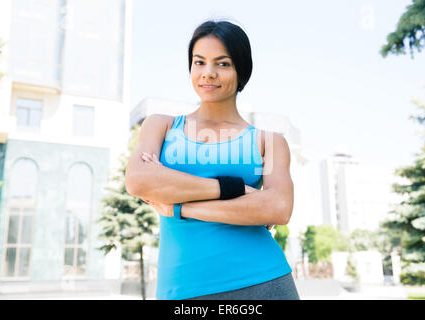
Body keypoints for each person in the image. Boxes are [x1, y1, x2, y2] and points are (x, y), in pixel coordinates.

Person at [125, 19, 300, 300]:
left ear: (241, 70)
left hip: (263, 280)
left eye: (223, 64)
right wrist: (235, 190)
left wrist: (178, 208)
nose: (208, 73)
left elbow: (278, 208)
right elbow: (138, 180)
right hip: (182, 287)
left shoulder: (270, 141)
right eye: (199, 62)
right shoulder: (160, 126)